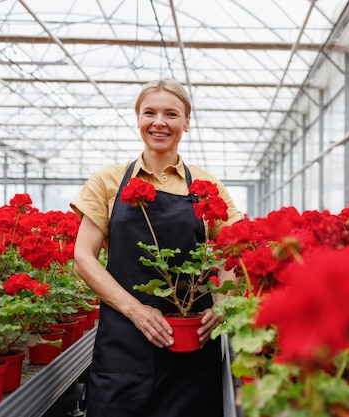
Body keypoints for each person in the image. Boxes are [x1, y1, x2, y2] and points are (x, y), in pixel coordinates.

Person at [70, 79, 244, 417]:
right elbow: (83, 257)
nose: (159, 122)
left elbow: (233, 252)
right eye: (149, 112)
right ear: (137, 118)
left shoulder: (208, 186)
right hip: (124, 343)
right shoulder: (107, 180)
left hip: (192, 346)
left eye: (171, 114)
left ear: (186, 122)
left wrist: (222, 304)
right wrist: (136, 310)